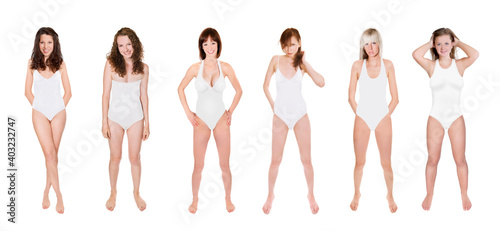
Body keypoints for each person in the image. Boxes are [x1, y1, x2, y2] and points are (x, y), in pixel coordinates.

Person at [412, 27, 479, 211]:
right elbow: (416, 54)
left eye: (446, 43)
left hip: (456, 117)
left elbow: (475, 54)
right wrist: (430, 42)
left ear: (452, 44)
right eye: (439, 43)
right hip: (436, 117)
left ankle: (464, 194)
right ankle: (429, 194)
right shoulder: (431, 66)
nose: (443, 47)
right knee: (433, 159)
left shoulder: (459, 65)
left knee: (460, 159)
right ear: (435, 45)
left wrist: (459, 42)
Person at [178, 27, 243, 214]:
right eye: (205, 43)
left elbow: (239, 91)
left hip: (221, 120)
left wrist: (230, 111)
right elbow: (180, 89)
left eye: (213, 42)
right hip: (201, 122)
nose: (209, 46)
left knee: (225, 164)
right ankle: (195, 200)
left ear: (218, 44)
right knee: (198, 165)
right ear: (201, 46)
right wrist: (188, 113)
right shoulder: (194, 68)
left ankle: (228, 199)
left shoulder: (226, 68)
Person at [262, 28, 325, 214]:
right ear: (282, 45)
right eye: (287, 44)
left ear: (299, 44)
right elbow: (264, 85)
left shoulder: (301, 64)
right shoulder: (275, 60)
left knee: (306, 160)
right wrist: (273, 106)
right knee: (275, 160)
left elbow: (321, 82)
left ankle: (311, 194)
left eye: (293, 44)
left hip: (300, 115)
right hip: (280, 116)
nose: (290, 48)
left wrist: (305, 62)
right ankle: (270, 195)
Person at [347, 28, 399, 213]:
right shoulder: (356, 66)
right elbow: (351, 97)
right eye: (366, 43)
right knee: (359, 162)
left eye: (373, 42)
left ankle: (390, 195)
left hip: (382, 117)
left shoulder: (389, 65)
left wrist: (384, 115)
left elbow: (395, 98)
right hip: (362, 117)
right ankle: (356, 193)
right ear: (363, 46)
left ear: (379, 43)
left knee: (386, 163)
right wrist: (360, 114)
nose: (370, 47)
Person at [102, 27, 150, 211]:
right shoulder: (110, 65)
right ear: (117, 47)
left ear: (135, 44)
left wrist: (147, 123)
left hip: (136, 117)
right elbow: (105, 95)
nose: (125, 49)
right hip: (115, 117)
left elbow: (144, 96)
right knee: (115, 157)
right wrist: (104, 121)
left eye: (128, 44)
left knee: (134, 158)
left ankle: (136, 193)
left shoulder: (144, 68)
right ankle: (113, 192)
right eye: (121, 45)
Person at [24, 27, 72, 214]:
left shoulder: (60, 63)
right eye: (42, 42)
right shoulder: (31, 63)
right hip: (39, 112)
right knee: (50, 155)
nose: (46, 46)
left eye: (49, 42)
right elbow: (27, 91)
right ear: (38, 43)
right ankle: (58, 194)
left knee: (52, 155)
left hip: (58, 112)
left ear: (55, 44)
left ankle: (46, 190)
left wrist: (59, 107)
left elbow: (68, 92)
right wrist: (39, 108)